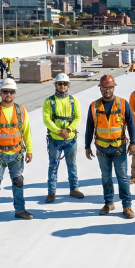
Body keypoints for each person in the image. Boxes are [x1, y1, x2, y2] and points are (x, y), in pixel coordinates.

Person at [0, 78, 34, 228]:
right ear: (0, 93)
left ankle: (20, 210)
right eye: (5, 92)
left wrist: (29, 150)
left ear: (15, 93)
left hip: (17, 154)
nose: (8, 94)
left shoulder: (20, 110)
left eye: (11, 92)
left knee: (18, 182)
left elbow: (26, 132)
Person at [85, 74, 135, 219]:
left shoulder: (122, 103)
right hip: (101, 149)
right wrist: (87, 146)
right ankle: (109, 203)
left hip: (119, 148)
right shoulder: (94, 106)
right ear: (100, 89)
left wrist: (133, 143)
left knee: (123, 178)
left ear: (113, 88)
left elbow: (131, 125)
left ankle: (127, 206)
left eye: (109, 88)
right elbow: (89, 127)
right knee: (106, 177)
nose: (107, 90)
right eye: (104, 88)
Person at [43, 73, 84, 203]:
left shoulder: (73, 100)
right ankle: (51, 192)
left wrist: (69, 130)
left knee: (72, 164)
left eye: (65, 84)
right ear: (55, 85)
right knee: (53, 165)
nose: (62, 86)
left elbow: (77, 117)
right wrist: (59, 131)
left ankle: (74, 189)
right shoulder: (49, 101)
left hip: (70, 139)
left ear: (68, 85)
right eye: (60, 83)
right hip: (55, 140)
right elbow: (47, 119)